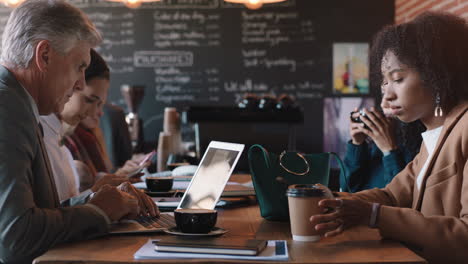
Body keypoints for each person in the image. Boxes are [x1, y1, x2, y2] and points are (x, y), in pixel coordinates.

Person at [311, 12, 468, 264]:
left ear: (437, 75)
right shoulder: (432, 138)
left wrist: (373, 215)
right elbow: (391, 196)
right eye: (385, 83)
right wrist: (329, 200)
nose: (386, 97)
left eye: (398, 79)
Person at [0, 1, 142, 262]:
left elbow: (38, 214)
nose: (80, 84)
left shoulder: (19, 103)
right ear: (44, 55)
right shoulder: (7, 109)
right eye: (80, 67)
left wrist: (95, 203)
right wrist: (98, 213)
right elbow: (14, 238)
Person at [340, 106, 424, 192]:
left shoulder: (421, 148)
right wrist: (357, 144)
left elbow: (401, 196)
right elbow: (346, 189)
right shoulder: (375, 144)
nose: (384, 103)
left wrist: (389, 150)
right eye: (383, 93)